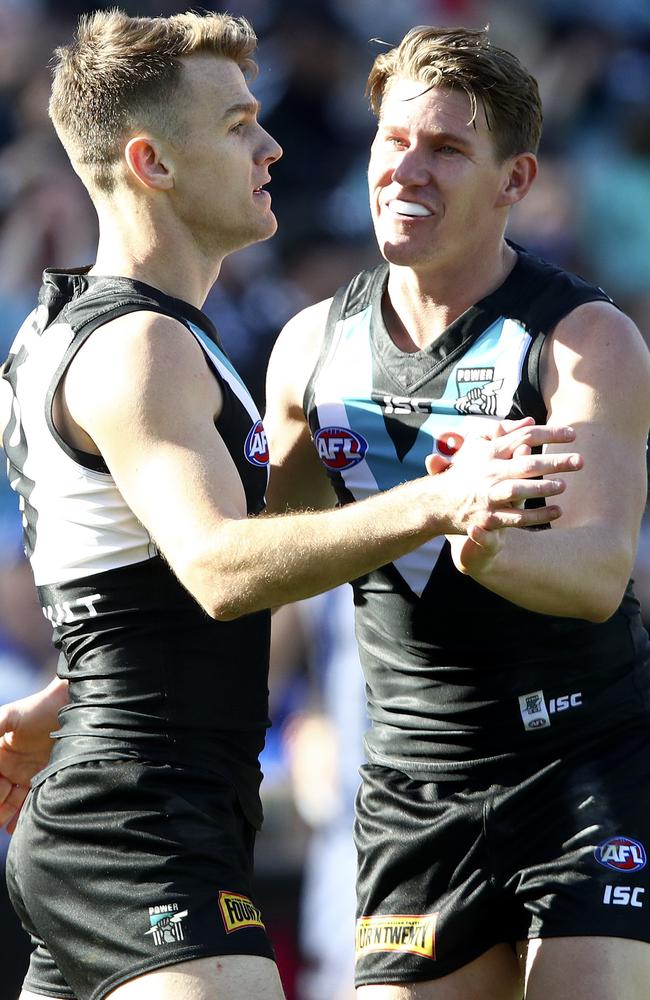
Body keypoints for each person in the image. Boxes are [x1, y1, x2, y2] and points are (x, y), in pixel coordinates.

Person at [0, 11, 581, 1000]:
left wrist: (88, 697)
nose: (270, 145)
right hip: (147, 831)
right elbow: (222, 567)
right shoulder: (144, 344)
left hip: (121, 808)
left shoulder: (105, 328)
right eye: (235, 125)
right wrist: (441, 498)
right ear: (153, 161)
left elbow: (126, 574)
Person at [262, 24, 650, 1000]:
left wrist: (482, 548)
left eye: (444, 149)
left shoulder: (581, 339)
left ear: (513, 181)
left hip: (581, 763)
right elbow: (270, 558)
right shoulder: (310, 346)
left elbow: (599, 571)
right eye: (392, 142)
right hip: (408, 782)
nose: (407, 170)